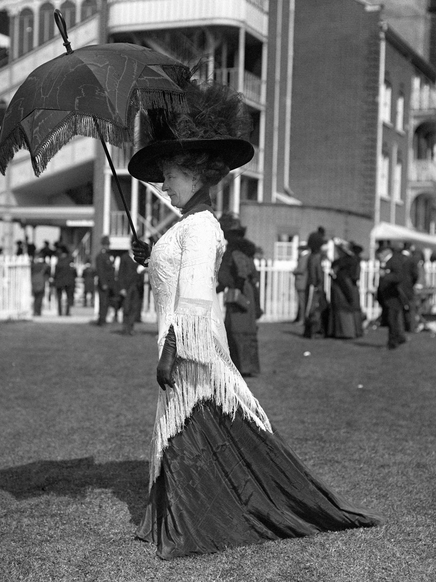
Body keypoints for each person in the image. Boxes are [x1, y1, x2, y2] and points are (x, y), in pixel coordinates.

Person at [127, 81, 382, 559]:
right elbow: (175, 278)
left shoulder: (200, 227)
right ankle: (193, 509)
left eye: (170, 174)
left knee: (198, 432)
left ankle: (201, 515)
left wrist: (171, 350)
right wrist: (150, 257)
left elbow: (198, 297)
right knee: (200, 431)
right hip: (183, 344)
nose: (164, 185)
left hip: (189, 347)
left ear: (197, 171)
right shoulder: (185, 227)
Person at [217, 213, 262, 376]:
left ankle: (243, 367)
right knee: (242, 329)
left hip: (240, 292)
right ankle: (246, 367)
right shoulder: (244, 249)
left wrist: (233, 288)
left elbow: (240, 272)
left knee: (237, 329)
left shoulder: (236, 250)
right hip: (244, 291)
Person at [326, 241, 364, 339]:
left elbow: (345, 277)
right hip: (347, 286)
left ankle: (345, 332)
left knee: (344, 308)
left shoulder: (344, 263)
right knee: (349, 308)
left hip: (342, 288)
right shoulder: (353, 261)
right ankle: (354, 330)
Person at [375, 243, 408, 350]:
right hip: (387, 296)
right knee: (393, 319)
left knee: (392, 319)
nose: (378, 257)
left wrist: (386, 275)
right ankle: (399, 337)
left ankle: (392, 342)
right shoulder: (386, 262)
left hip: (394, 296)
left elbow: (399, 277)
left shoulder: (394, 261)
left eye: (379, 254)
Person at [302, 232, 329, 339]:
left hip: (311, 284)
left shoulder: (311, 256)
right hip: (316, 285)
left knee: (310, 307)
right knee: (315, 308)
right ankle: (315, 330)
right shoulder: (317, 257)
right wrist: (318, 284)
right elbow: (317, 272)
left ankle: (310, 330)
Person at [117, 243, 145, 335]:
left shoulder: (139, 259)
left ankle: (131, 327)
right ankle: (125, 328)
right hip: (127, 286)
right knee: (126, 307)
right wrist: (122, 288)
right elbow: (120, 273)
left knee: (134, 307)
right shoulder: (124, 257)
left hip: (136, 286)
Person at [94, 235, 115, 326]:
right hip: (104, 283)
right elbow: (100, 271)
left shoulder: (108, 256)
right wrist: (103, 283)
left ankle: (104, 318)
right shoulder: (100, 256)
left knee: (107, 302)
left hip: (109, 283)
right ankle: (101, 319)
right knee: (103, 302)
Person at [52, 250, 76, 316]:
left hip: (59, 282)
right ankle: (67, 312)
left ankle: (60, 312)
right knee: (68, 298)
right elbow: (74, 273)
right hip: (68, 282)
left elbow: (55, 273)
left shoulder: (58, 262)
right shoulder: (70, 262)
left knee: (59, 298)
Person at [292, 244, 310, 323]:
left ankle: (302, 319)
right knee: (302, 302)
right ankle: (300, 318)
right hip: (302, 282)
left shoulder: (304, 258)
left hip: (301, 282)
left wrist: (294, 271)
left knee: (302, 302)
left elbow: (301, 269)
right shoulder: (305, 257)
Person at [30, 252, 49, 317]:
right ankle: (38, 311)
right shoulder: (44, 266)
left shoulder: (33, 266)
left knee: (35, 298)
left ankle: (35, 311)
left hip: (34, 282)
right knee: (40, 298)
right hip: (41, 283)